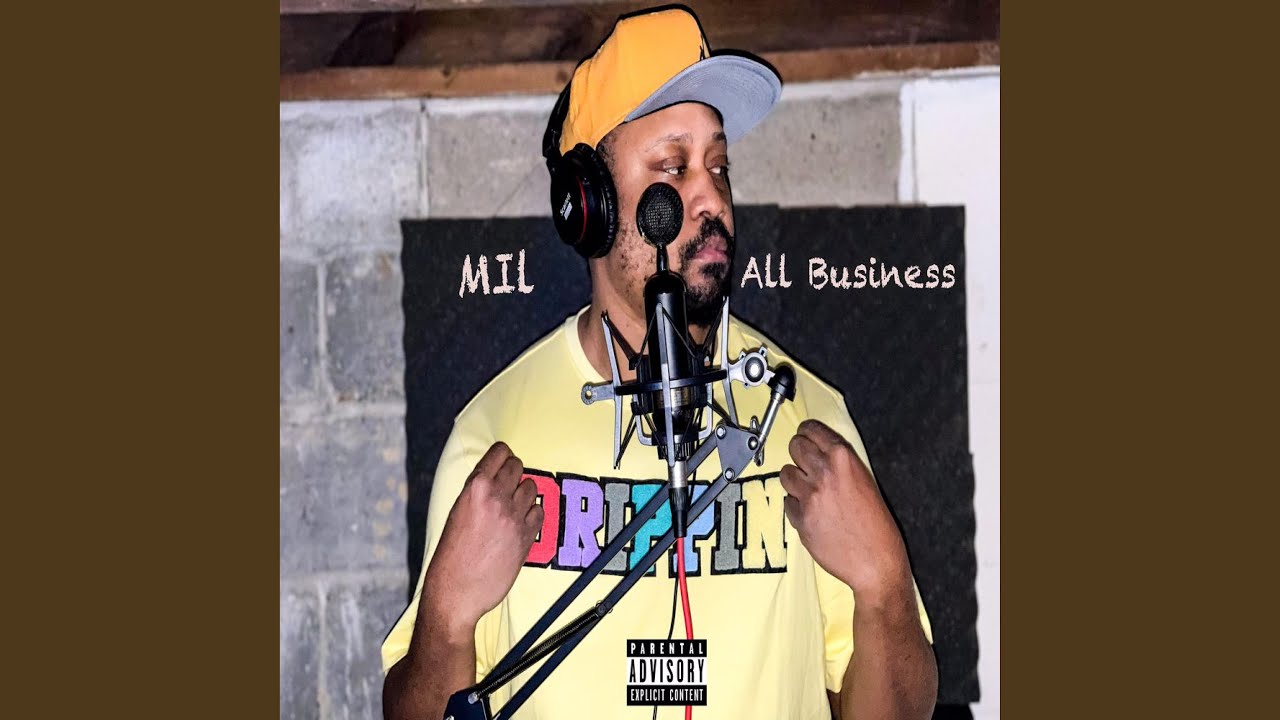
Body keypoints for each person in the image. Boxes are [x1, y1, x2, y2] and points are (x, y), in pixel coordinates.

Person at [381, 7, 937, 720]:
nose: (711, 198)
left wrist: (884, 584)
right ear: (589, 207)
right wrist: (446, 618)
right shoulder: (493, 437)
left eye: (718, 166)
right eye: (673, 167)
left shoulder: (808, 419)